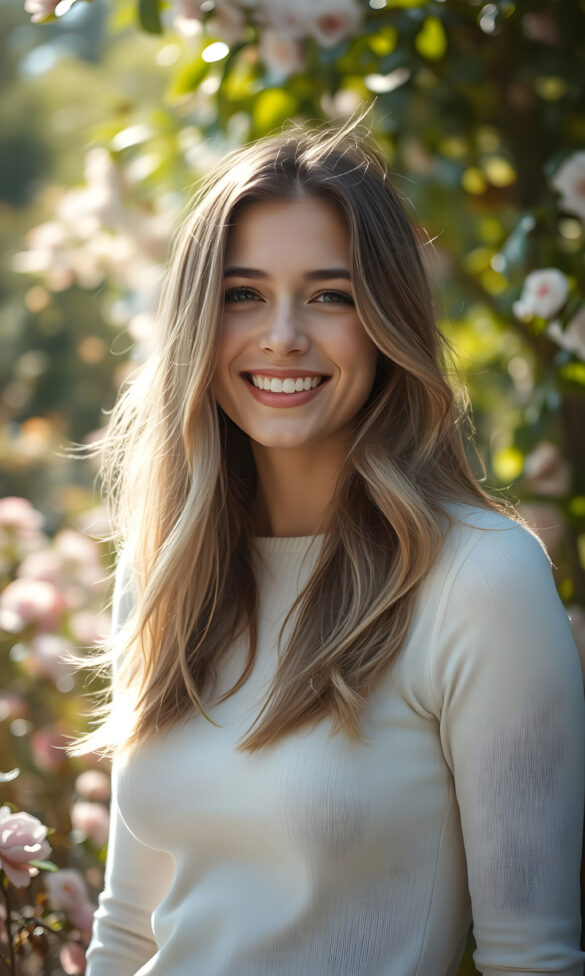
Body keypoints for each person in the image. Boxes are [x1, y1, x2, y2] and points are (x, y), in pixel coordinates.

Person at [81, 120, 585, 976]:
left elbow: (529, 959)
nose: (281, 335)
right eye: (243, 294)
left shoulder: (478, 579)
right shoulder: (168, 563)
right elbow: (130, 931)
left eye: (330, 295)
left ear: (386, 318)